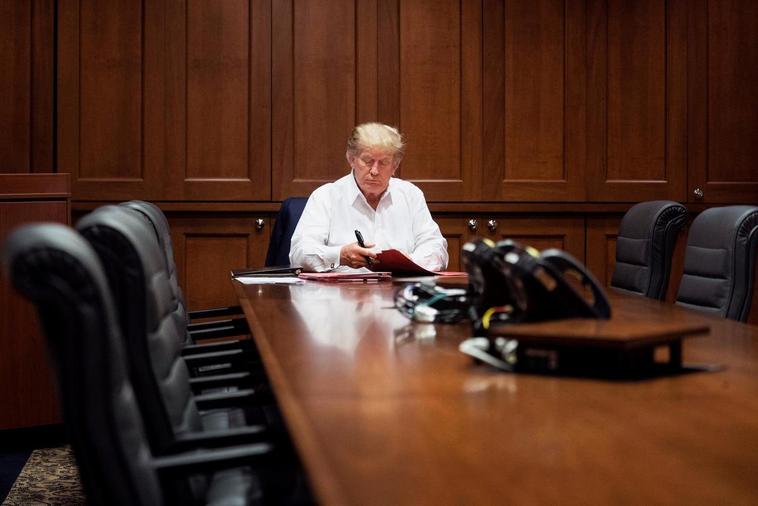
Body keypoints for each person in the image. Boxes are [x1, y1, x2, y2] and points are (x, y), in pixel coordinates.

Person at [289, 122, 449, 272]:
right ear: (351, 159)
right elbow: (299, 254)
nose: (374, 171)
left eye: (384, 163)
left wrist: (410, 261)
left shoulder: (410, 195)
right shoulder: (326, 197)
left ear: (395, 166)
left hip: (397, 292)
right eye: (367, 161)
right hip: (341, 296)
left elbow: (436, 248)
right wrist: (340, 255)